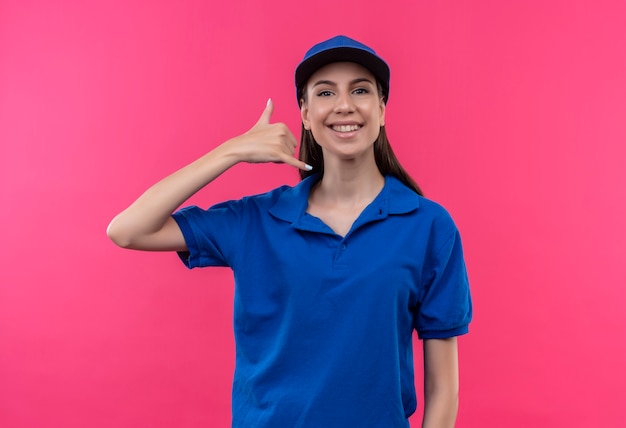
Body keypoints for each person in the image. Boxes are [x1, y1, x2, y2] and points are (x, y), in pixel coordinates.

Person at [107, 35, 472, 428]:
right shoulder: (256, 219)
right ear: (305, 112)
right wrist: (232, 150)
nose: (344, 105)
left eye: (361, 90)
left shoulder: (429, 226)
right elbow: (127, 230)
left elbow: (443, 388)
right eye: (326, 92)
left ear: (382, 109)